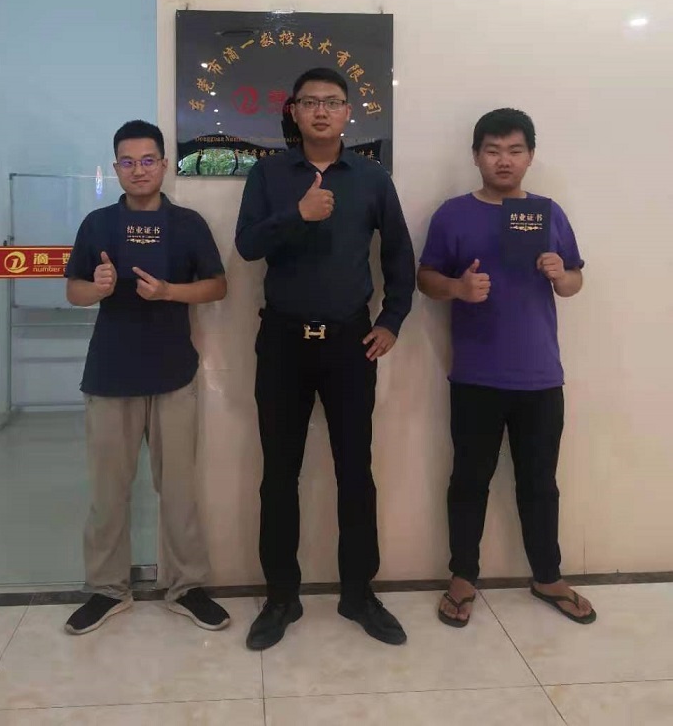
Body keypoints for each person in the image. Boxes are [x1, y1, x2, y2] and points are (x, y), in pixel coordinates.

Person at [236, 67, 416, 650]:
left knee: (355, 469)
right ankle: (281, 597)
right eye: (310, 102)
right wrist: (299, 214)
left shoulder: (371, 177)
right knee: (278, 473)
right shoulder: (268, 173)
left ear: (347, 113)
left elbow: (399, 255)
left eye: (332, 102)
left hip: (349, 342)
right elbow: (247, 245)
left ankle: (358, 593)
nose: (320, 111)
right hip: (283, 342)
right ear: (292, 110)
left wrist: (391, 320)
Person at [417, 108, 596, 627]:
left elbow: (575, 281)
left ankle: (547, 576)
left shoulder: (548, 213)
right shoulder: (453, 214)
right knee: (468, 480)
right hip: (476, 375)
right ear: (476, 155)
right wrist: (457, 288)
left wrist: (561, 275)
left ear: (530, 156)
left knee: (540, 482)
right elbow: (426, 277)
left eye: (515, 150)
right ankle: (462, 577)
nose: (504, 160)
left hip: (541, 376)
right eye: (493, 150)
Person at [63, 119, 230, 635]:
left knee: (178, 490)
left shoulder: (188, 224)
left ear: (163, 164)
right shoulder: (97, 225)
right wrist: (98, 287)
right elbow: (74, 291)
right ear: (116, 168)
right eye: (128, 162)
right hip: (109, 375)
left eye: (148, 160)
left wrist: (168, 293)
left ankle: (186, 586)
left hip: (173, 374)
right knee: (108, 493)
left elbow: (217, 286)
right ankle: (107, 589)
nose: (138, 170)